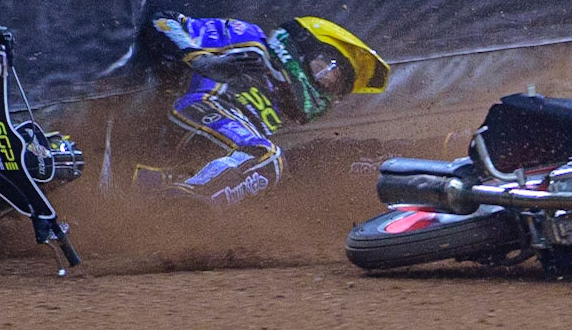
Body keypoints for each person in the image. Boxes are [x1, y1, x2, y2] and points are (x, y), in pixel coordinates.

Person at [115, 11, 389, 206]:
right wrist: (198, 59)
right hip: (199, 108)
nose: (327, 83)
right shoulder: (251, 41)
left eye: (336, 86)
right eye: (327, 68)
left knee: (276, 169)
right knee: (268, 156)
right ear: (300, 47)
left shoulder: (278, 113)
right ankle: (182, 209)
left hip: (204, 145)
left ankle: (160, 202)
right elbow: (163, 21)